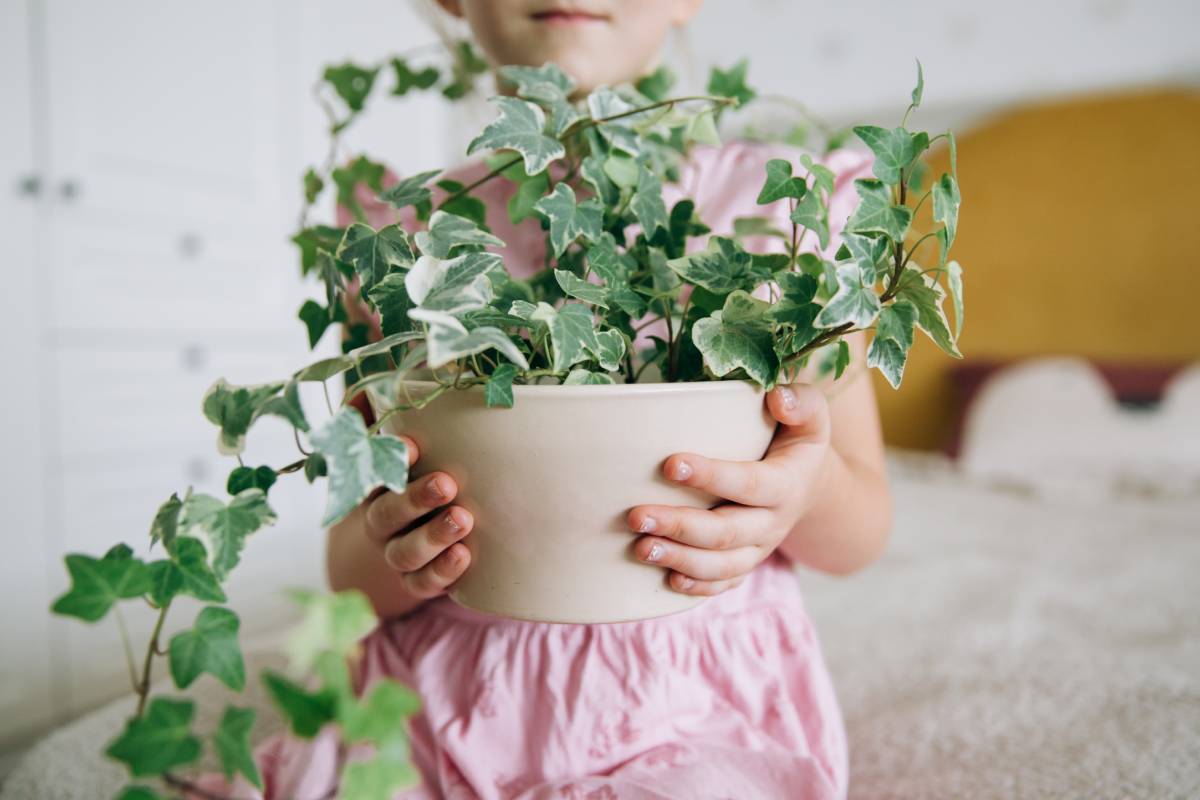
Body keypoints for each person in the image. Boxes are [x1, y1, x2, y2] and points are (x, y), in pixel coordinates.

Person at [230, 2, 892, 797]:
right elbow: (351, 558)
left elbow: (861, 534)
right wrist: (399, 549)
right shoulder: (399, 239)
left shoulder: (790, 212)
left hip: (691, 701)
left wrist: (803, 490)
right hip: (452, 702)